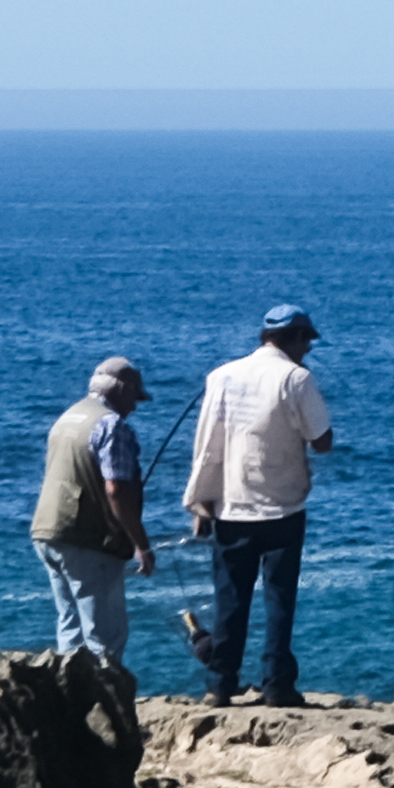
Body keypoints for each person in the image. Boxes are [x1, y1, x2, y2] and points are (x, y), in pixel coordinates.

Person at [178, 303, 337, 708]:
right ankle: (277, 685)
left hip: (231, 506)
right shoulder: (296, 378)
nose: (309, 349)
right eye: (308, 341)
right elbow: (323, 440)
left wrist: (201, 503)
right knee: (279, 600)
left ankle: (220, 684)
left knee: (230, 601)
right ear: (296, 337)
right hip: (283, 507)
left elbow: (206, 446)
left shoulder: (221, 377)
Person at [31, 355, 155, 674]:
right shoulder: (112, 425)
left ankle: (68, 706)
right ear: (123, 390)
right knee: (105, 637)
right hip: (88, 540)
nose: (135, 407)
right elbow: (116, 491)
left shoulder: (68, 418)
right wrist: (140, 543)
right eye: (135, 397)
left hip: (48, 532)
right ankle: (106, 708)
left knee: (70, 629)